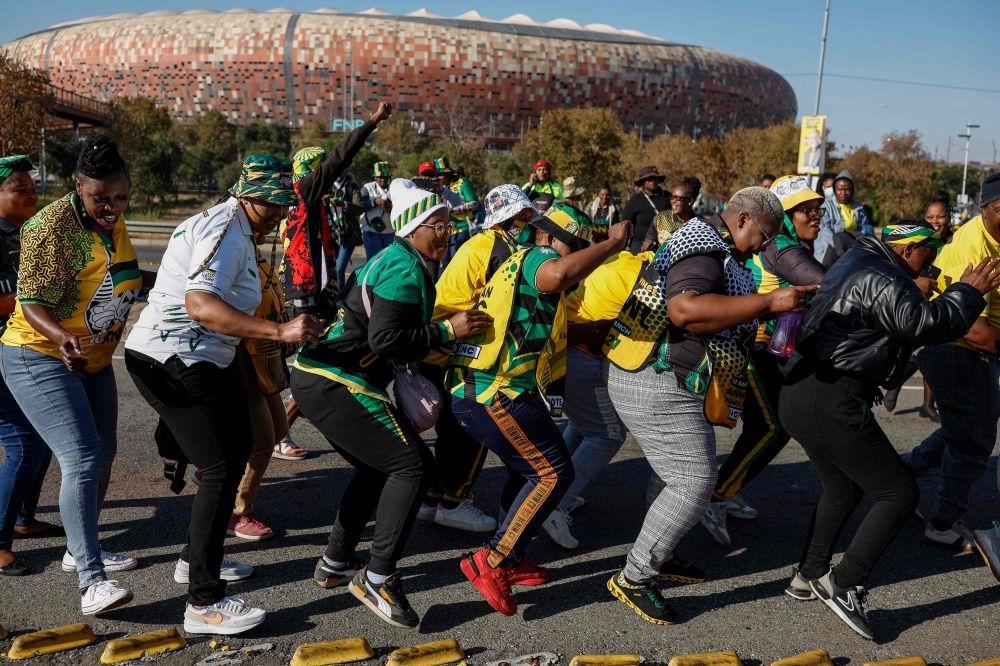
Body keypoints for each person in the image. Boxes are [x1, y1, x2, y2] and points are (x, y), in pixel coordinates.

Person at [126, 152, 324, 634]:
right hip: (172, 358)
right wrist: (279, 332)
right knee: (219, 467)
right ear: (246, 194)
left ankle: (193, 559)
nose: (277, 215)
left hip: (191, 358)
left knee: (236, 452)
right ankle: (203, 602)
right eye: (270, 205)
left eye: (282, 206)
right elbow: (200, 305)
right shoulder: (225, 232)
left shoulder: (232, 224)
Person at [779, 220, 999, 640]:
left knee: (842, 488)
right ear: (907, 250)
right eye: (929, 255)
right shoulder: (883, 275)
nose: (932, 266)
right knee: (899, 492)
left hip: (803, 390)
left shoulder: (860, 259)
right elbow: (926, 325)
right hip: (833, 398)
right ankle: (842, 585)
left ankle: (807, 576)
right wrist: (968, 291)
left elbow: (893, 319)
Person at [603, 187, 812, 626]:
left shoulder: (709, 242)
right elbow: (686, 309)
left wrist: (765, 313)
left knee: (674, 473)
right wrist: (771, 301)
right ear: (742, 220)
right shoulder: (703, 248)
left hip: (651, 373)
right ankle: (636, 577)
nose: (763, 248)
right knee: (695, 479)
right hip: (654, 377)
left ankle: (662, 553)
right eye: (763, 236)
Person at [292, 178, 492, 629]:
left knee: (377, 465)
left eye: (448, 225)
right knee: (413, 467)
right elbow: (385, 339)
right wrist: (448, 331)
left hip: (320, 376)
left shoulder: (401, 258)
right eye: (436, 225)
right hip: (336, 381)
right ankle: (377, 577)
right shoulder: (403, 267)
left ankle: (337, 561)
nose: (446, 233)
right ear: (412, 227)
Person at [447, 202, 632, 617]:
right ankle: (492, 561)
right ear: (547, 236)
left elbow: (561, 324)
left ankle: (510, 554)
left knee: (527, 471)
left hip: (489, 389)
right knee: (553, 473)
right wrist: (613, 242)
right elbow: (561, 273)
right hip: (494, 391)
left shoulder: (518, 263)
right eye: (573, 244)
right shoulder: (538, 257)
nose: (575, 255)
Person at [1, 136, 151, 612]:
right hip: (40, 353)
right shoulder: (51, 227)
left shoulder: (114, 222)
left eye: (120, 197)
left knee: (104, 453)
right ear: (78, 187)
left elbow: (121, 276)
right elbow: (32, 301)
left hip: (94, 359)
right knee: (81, 457)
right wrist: (61, 337)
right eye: (99, 198)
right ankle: (92, 582)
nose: (111, 207)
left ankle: (77, 548)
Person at [700, 176, 827, 547]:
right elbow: (824, 284)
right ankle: (716, 495)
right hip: (753, 343)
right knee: (772, 427)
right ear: (783, 215)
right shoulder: (783, 245)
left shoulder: (780, 240)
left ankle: (726, 486)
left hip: (761, 342)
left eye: (818, 207)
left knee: (764, 425)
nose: (815, 215)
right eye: (806, 209)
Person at [417, 184, 537, 532]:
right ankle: (454, 502)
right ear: (512, 216)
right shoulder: (500, 249)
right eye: (524, 217)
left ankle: (432, 499)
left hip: (440, 343)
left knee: (450, 432)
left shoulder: (484, 243)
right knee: (471, 431)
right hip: (457, 349)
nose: (527, 223)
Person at [903, 171, 1000, 557]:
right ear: (984, 209)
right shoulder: (973, 247)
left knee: (964, 427)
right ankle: (943, 524)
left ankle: (903, 473)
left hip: (975, 347)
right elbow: (973, 329)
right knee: (975, 442)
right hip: (952, 345)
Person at [540, 244, 657, 550]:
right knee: (609, 434)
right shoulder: (649, 278)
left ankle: (550, 491)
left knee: (583, 424)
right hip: (580, 356)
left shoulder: (624, 258)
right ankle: (555, 504)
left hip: (563, 351)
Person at [0, 155, 58, 577]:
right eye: (20, 190)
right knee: (25, 444)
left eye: (32, 189)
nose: (32, 196)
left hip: (24, 350)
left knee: (43, 434)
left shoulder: (29, 234)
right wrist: (32, 301)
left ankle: (22, 515)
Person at [882, 190, 956, 419]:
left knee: (929, 353)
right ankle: (902, 388)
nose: (935, 221)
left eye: (940, 217)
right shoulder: (920, 240)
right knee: (924, 351)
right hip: (922, 299)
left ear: (949, 218)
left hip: (945, 298)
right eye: (930, 216)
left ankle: (925, 403)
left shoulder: (956, 241)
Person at [814, 170, 874, 265]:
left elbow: (864, 228)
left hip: (852, 252)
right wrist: (842, 248)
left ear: (852, 190)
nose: (843, 193)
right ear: (835, 189)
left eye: (847, 189)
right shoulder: (824, 205)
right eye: (840, 189)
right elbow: (824, 229)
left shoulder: (858, 207)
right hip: (828, 253)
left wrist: (855, 247)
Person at [435, 157, 478, 270]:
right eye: (437, 174)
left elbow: (474, 204)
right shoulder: (440, 187)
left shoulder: (462, 183)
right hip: (446, 230)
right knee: (444, 264)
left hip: (463, 228)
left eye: (441, 174)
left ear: (449, 173)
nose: (439, 177)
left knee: (458, 263)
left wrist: (452, 210)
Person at [641, 176, 702, 251]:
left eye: (678, 198)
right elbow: (645, 247)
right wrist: (645, 247)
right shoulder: (660, 219)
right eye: (672, 197)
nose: (673, 201)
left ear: (690, 201)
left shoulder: (701, 225)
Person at [621, 166, 670, 254]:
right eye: (649, 179)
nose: (653, 181)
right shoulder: (634, 201)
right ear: (642, 182)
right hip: (640, 247)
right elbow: (625, 225)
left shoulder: (668, 197)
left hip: (666, 245)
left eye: (655, 178)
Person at [329, 171, 365, 292]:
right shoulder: (326, 186)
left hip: (348, 235)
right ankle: (330, 296)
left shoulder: (352, 187)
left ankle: (339, 300)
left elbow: (360, 208)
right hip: (329, 234)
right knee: (329, 269)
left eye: (342, 169)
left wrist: (344, 204)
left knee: (339, 269)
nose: (339, 172)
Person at [360, 161, 395, 261]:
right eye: (380, 177)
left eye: (385, 177)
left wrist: (391, 207)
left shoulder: (393, 189)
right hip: (371, 232)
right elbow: (361, 206)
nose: (383, 180)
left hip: (390, 233)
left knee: (388, 263)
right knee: (373, 263)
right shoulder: (367, 187)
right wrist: (375, 202)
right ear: (375, 177)